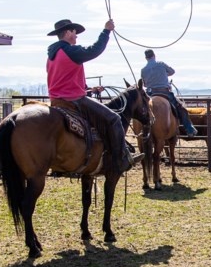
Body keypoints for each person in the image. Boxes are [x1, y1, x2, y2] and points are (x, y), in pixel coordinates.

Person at [47, 18, 145, 174]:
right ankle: (122, 158)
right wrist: (106, 31)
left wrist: (89, 90)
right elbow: (94, 50)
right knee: (114, 119)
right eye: (74, 32)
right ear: (67, 33)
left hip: (57, 100)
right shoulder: (70, 51)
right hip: (74, 100)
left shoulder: (52, 55)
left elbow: (63, 82)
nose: (76, 36)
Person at [141, 49, 197, 136]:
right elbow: (172, 71)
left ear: (146, 58)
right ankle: (189, 129)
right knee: (181, 108)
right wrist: (164, 74)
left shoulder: (143, 70)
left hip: (150, 94)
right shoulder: (161, 64)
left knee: (141, 109)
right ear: (154, 55)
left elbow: (144, 84)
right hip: (164, 92)